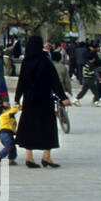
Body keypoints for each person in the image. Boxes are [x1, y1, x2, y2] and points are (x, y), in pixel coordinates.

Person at [15, 35, 70, 168]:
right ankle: (46, 157)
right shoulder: (45, 61)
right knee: (47, 127)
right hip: (44, 99)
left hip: (29, 99)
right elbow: (55, 81)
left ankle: (29, 157)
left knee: (29, 126)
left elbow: (21, 81)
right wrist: (63, 97)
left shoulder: (26, 62)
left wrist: (17, 99)